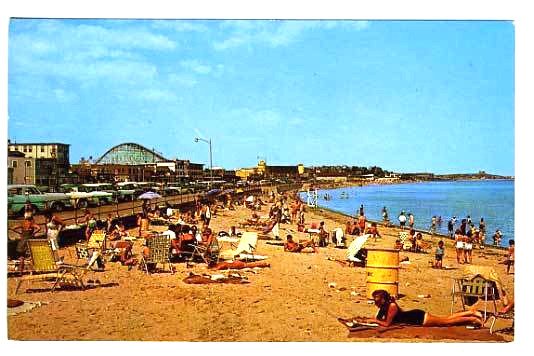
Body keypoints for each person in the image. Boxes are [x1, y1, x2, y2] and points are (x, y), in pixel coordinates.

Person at [361, 289, 483, 327]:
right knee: (446, 319)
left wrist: (373, 320)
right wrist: (370, 320)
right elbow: (378, 318)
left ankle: (472, 319)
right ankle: (470, 312)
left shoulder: (391, 306)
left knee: (447, 322)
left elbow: (386, 323)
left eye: (376, 300)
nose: (375, 302)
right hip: (415, 316)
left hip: (419, 318)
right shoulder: (384, 306)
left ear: (382, 299)